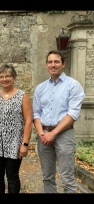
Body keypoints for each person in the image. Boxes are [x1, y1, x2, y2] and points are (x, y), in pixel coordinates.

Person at [33, 50, 85, 193]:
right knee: (47, 177)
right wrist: (41, 133)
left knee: (67, 178)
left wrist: (53, 133)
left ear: (63, 64)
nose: (53, 65)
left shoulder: (73, 85)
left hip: (64, 135)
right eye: (50, 62)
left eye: (56, 62)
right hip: (43, 136)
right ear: (46, 65)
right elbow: (36, 113)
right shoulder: (41, 88)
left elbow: (73, 113)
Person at [0, 63, 33, 193]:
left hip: (14, 143)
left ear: (14, 77)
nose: (4, 79)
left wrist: (25, 144)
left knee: (12, 176)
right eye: (1, 76)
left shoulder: (22, 96)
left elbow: (28, 121)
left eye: (8, 76)